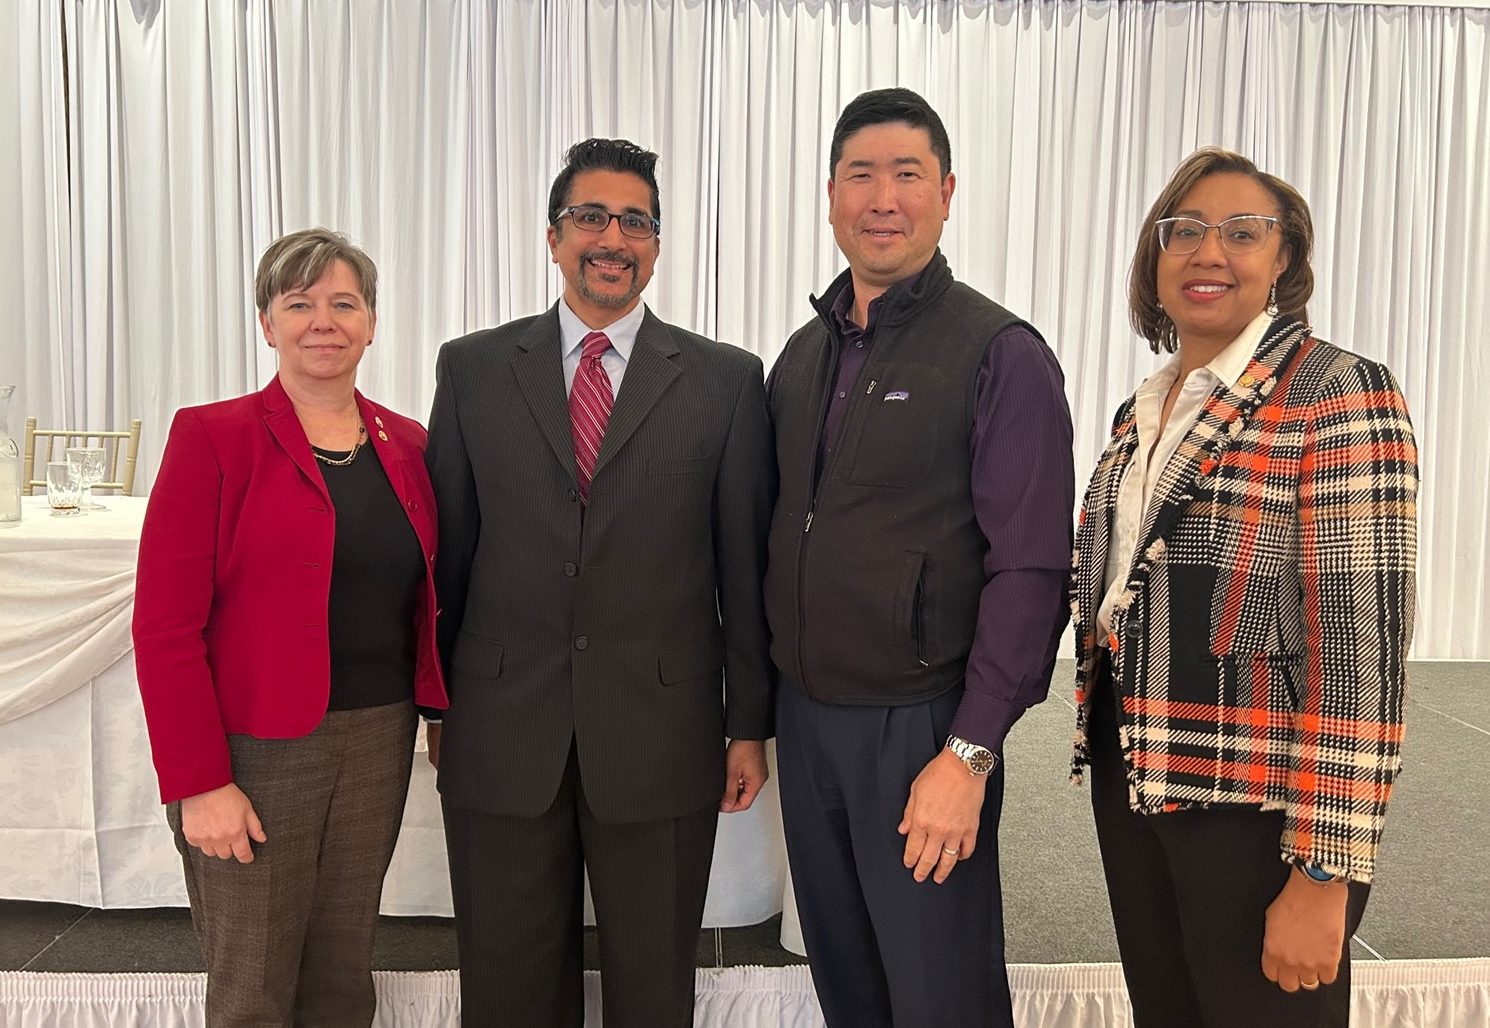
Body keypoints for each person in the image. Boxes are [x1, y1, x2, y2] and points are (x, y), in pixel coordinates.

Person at [423, 137, 774, 1028]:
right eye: (592, 217)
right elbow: (448, 554)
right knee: (506, 991)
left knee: (653, 990)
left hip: (663, 732)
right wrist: (436, 706)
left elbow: (743, 569)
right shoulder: (471, 369)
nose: (613, 238)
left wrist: (748, 725)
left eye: (635, 222)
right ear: (554, 236)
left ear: (656, 245)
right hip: (500, 727)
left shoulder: (727, 381)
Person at [1069, 147, 1418, 1027]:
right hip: (1138, 774)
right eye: (1184, 231)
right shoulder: (1143, 409)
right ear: (1155, 256)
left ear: (1284, 257)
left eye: (1241, 232)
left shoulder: (1338, 390)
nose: (1208, 252)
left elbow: (1362, 651)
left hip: (1258, 806)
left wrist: (1326, 869)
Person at [764, 88, 1075, 1027]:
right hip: (807, 721)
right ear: (831, 196)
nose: (883, 198)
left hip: (922, 730)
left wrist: (968, 753)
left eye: (907, 174)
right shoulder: (802, 356)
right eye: (861, 175)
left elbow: (1031, 572)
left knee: (941, 997)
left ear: (946, 193)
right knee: (849, 988)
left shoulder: (1000, 353)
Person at [132, 228, 447, 1026]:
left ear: (371, 322)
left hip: (378, 740)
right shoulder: (212, 437)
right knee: (254, 986)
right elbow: (164, 628)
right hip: (254, 753)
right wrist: (199, 782)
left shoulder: (410, 445)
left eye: (344, 303)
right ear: (267, 323)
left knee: (342, 972)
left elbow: (430, 600)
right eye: (300, 303)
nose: (324, 322)